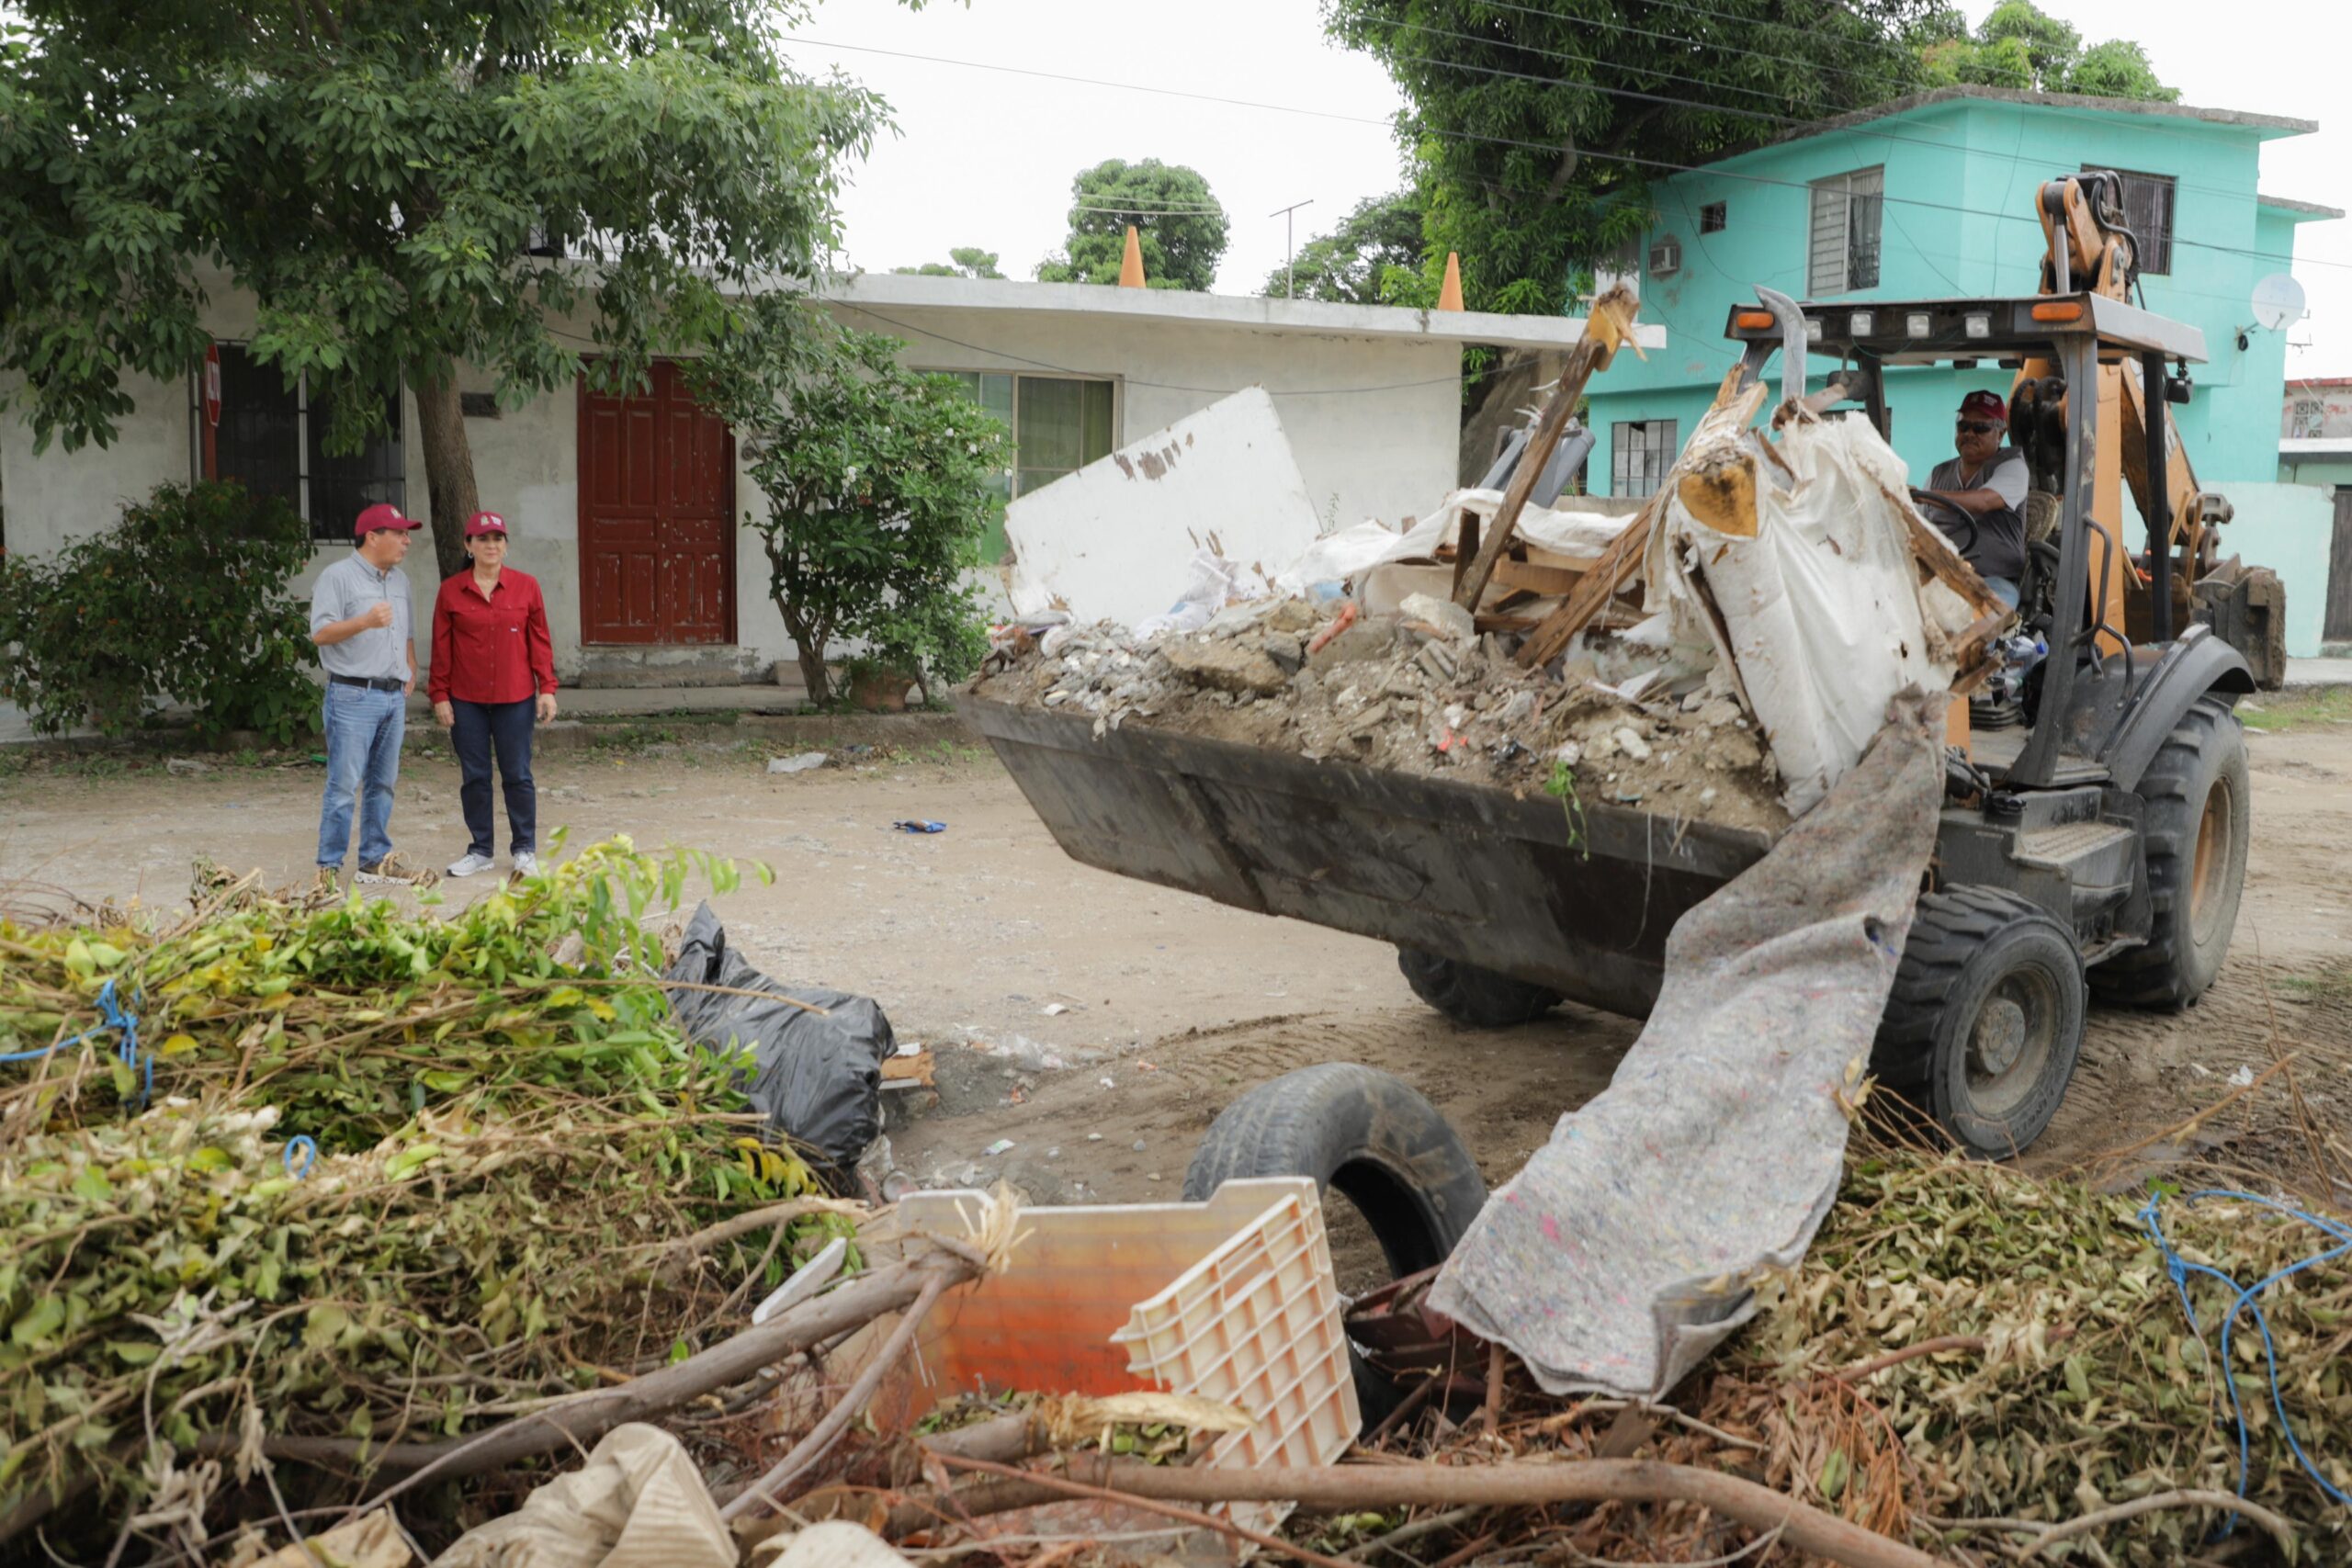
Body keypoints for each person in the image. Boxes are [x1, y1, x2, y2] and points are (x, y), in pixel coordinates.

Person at [310, 503, 437, 890]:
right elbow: (320, 633)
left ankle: (373, 862)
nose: (406, 541)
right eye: (399, 534)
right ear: (372, 537)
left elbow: (407, 630)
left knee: (383, 783)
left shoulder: (400, 581)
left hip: (392, 697)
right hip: (352, 695)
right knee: (344, 785)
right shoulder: (338, 577)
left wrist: (410, 664)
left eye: (407, 534)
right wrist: (364, 621)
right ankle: (328, 869)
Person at [428, 511, 558, 878]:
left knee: (517, 773)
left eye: (498, 538)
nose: (491, 545)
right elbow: (441, 647)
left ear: (506, 545)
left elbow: (540, 641)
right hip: (466, 699)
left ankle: (524, 849)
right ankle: (481, 849)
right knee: (475, 775)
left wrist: (546, 687)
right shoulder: (451, 590)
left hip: (514, 698)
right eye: (482, 539)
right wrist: (439, 694)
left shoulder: (526, 586)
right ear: (468, 545)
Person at [1911, 389, 2029, 609]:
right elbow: (1916, 525)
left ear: (2000, 433)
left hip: (1991, 581)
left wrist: (1925, 496)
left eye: (1980, 428)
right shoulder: (1939, 473)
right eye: (1963, 426)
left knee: (1977, 631)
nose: (1969, 433)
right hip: (1939, 577)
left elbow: (1983, 502)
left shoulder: (2012, 466)